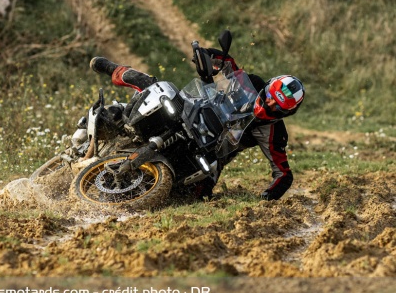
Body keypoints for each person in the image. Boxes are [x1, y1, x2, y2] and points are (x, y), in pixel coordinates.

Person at [89, 49, 305, 201]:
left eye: (276, 106)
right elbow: (228, 62)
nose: (269, 104)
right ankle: (112, 68)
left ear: (286, 112)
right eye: (269, 96)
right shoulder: (252, 82)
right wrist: (207, 56)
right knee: (155, 86)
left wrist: (268, 198)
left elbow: (284, 174)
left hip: (214, 151)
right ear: (267, 87)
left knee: (198, 195)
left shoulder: (275, 133)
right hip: (197, 110)